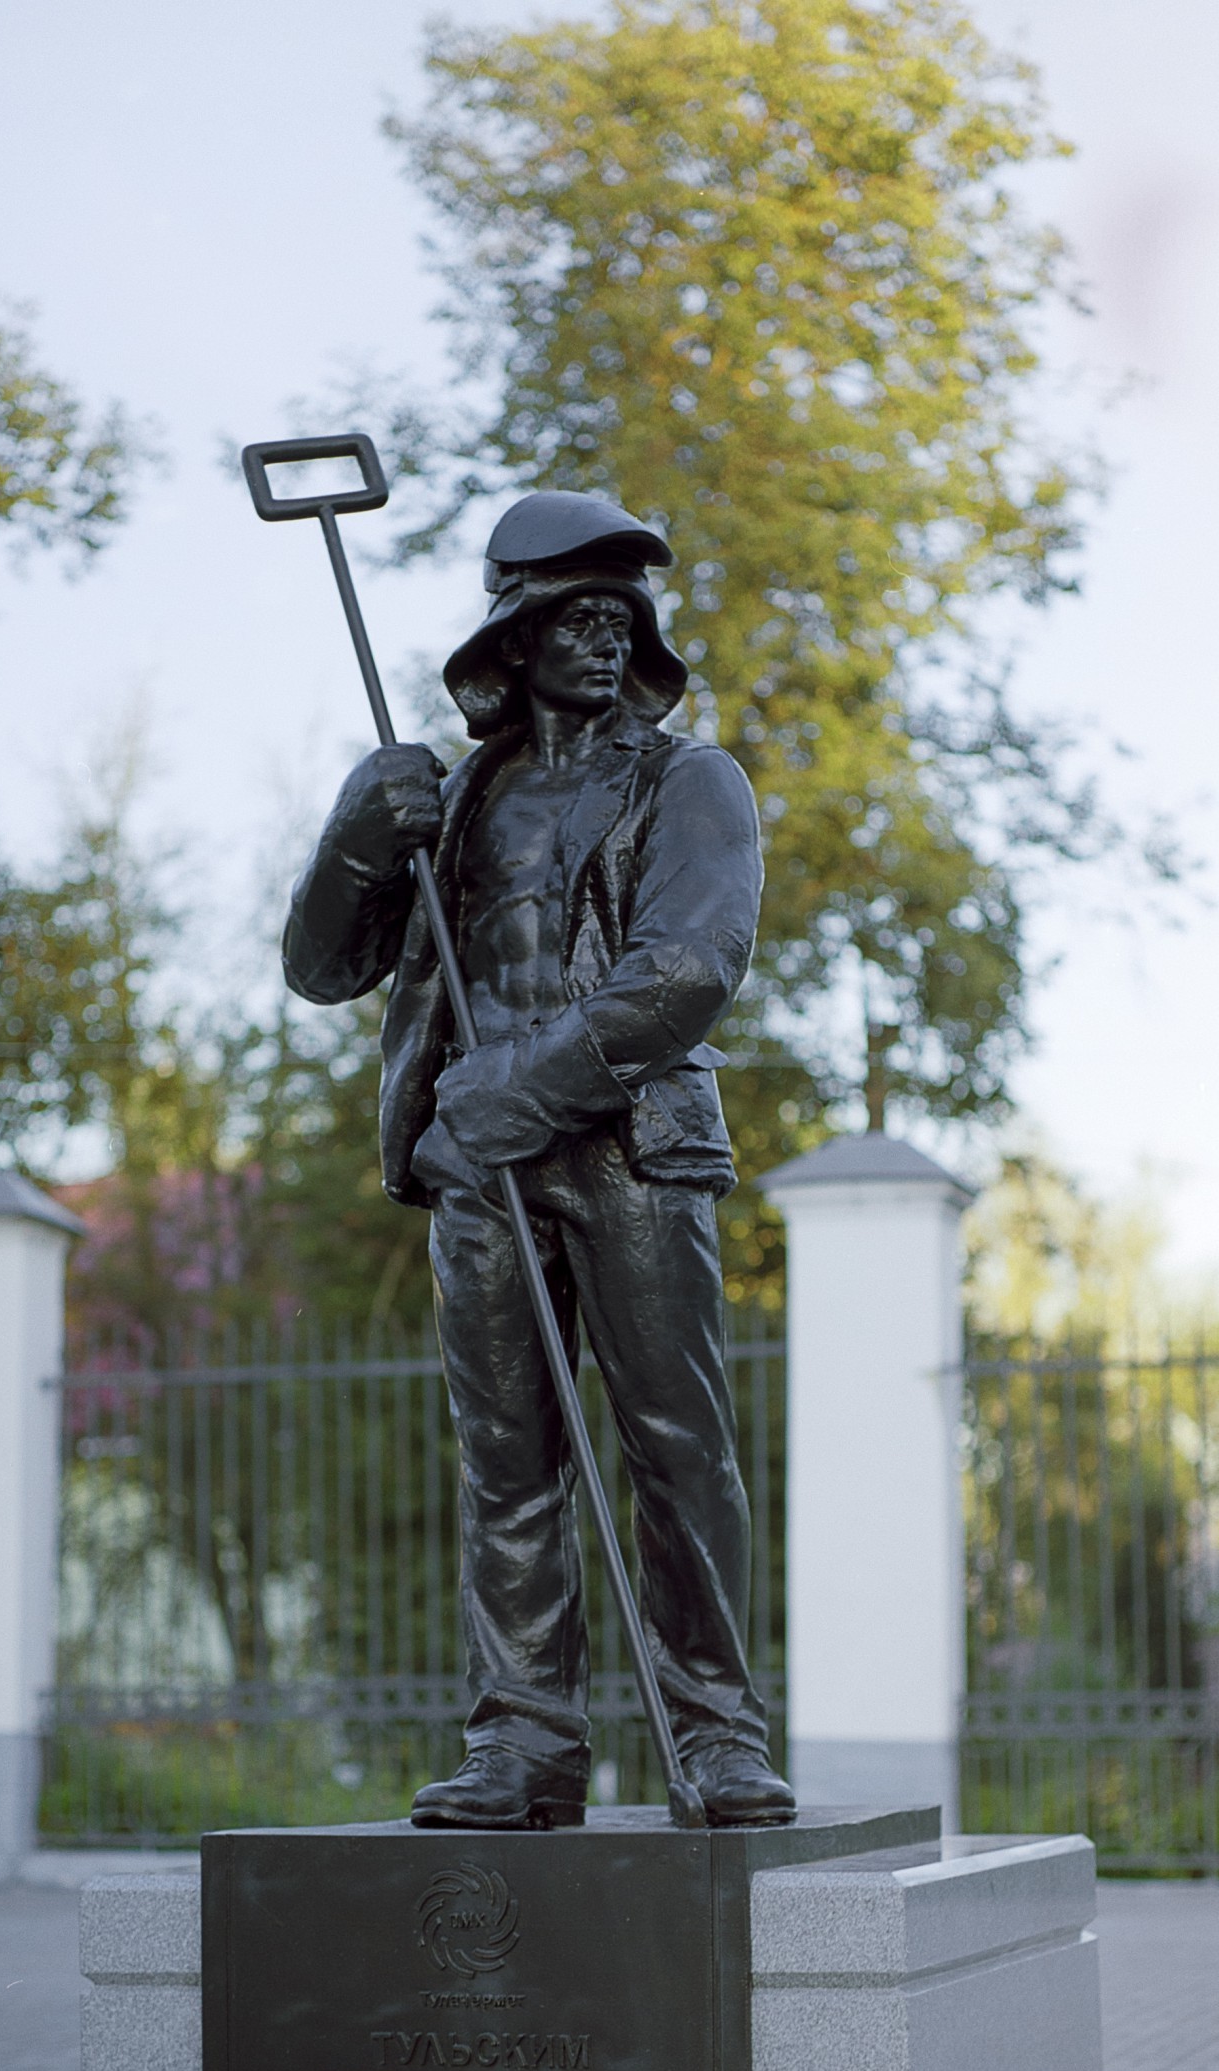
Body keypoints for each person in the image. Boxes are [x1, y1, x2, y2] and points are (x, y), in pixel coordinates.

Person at [282, 490, 795, 1829]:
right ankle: (523, 1739)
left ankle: (719, 1733)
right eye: (566, 613)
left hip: (630, 1148)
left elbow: (688, 967)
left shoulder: (692, 781)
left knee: (676, 1447)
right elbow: (322, 969)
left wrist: (524, 1082)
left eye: (617, 617)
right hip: (482, 1178)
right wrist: (353, 834)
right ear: (509, 634)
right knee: (506, 1462)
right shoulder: (455, 802)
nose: (596, 636)